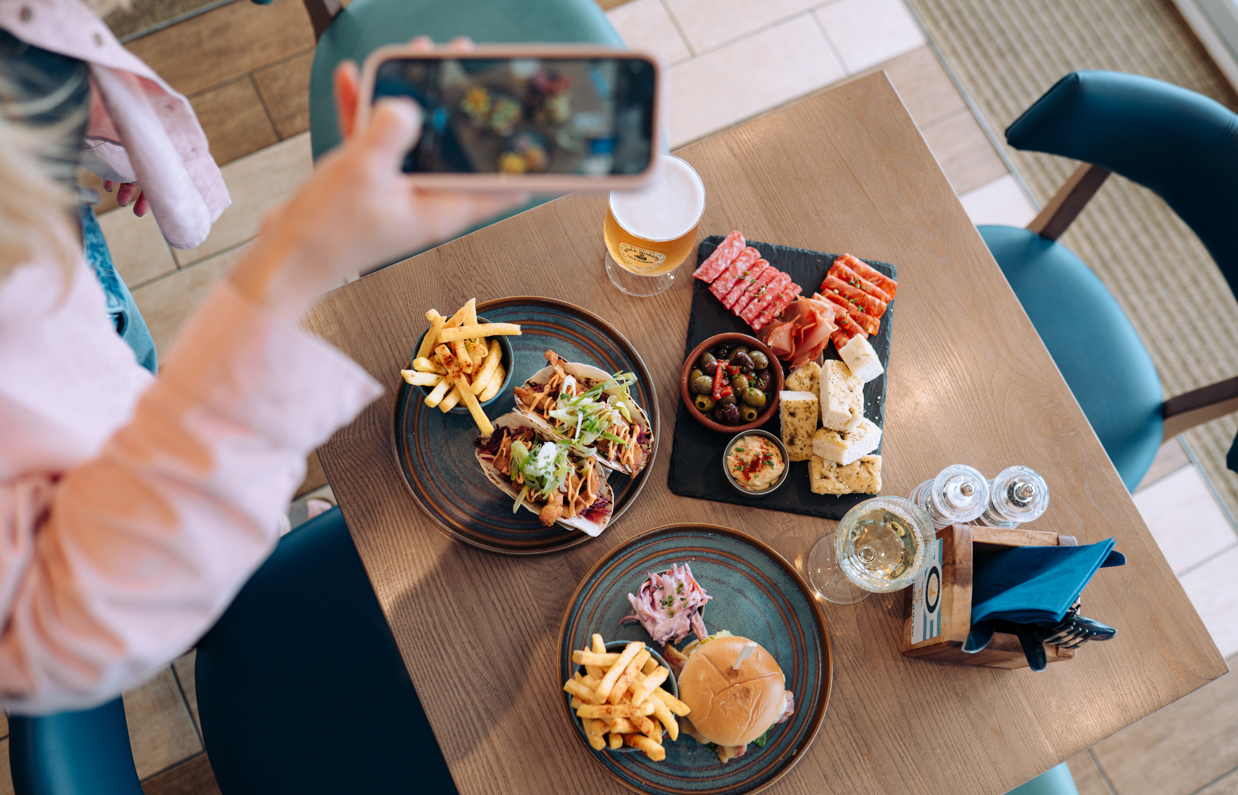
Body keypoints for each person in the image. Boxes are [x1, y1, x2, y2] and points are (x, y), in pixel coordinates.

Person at [0, 0, 519, 714]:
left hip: (66, 259)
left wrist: (66, 124)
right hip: (125, 567)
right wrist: (294, 259)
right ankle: (233, 574)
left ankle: (238, 540)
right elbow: (55, 617)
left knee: (135, 373)